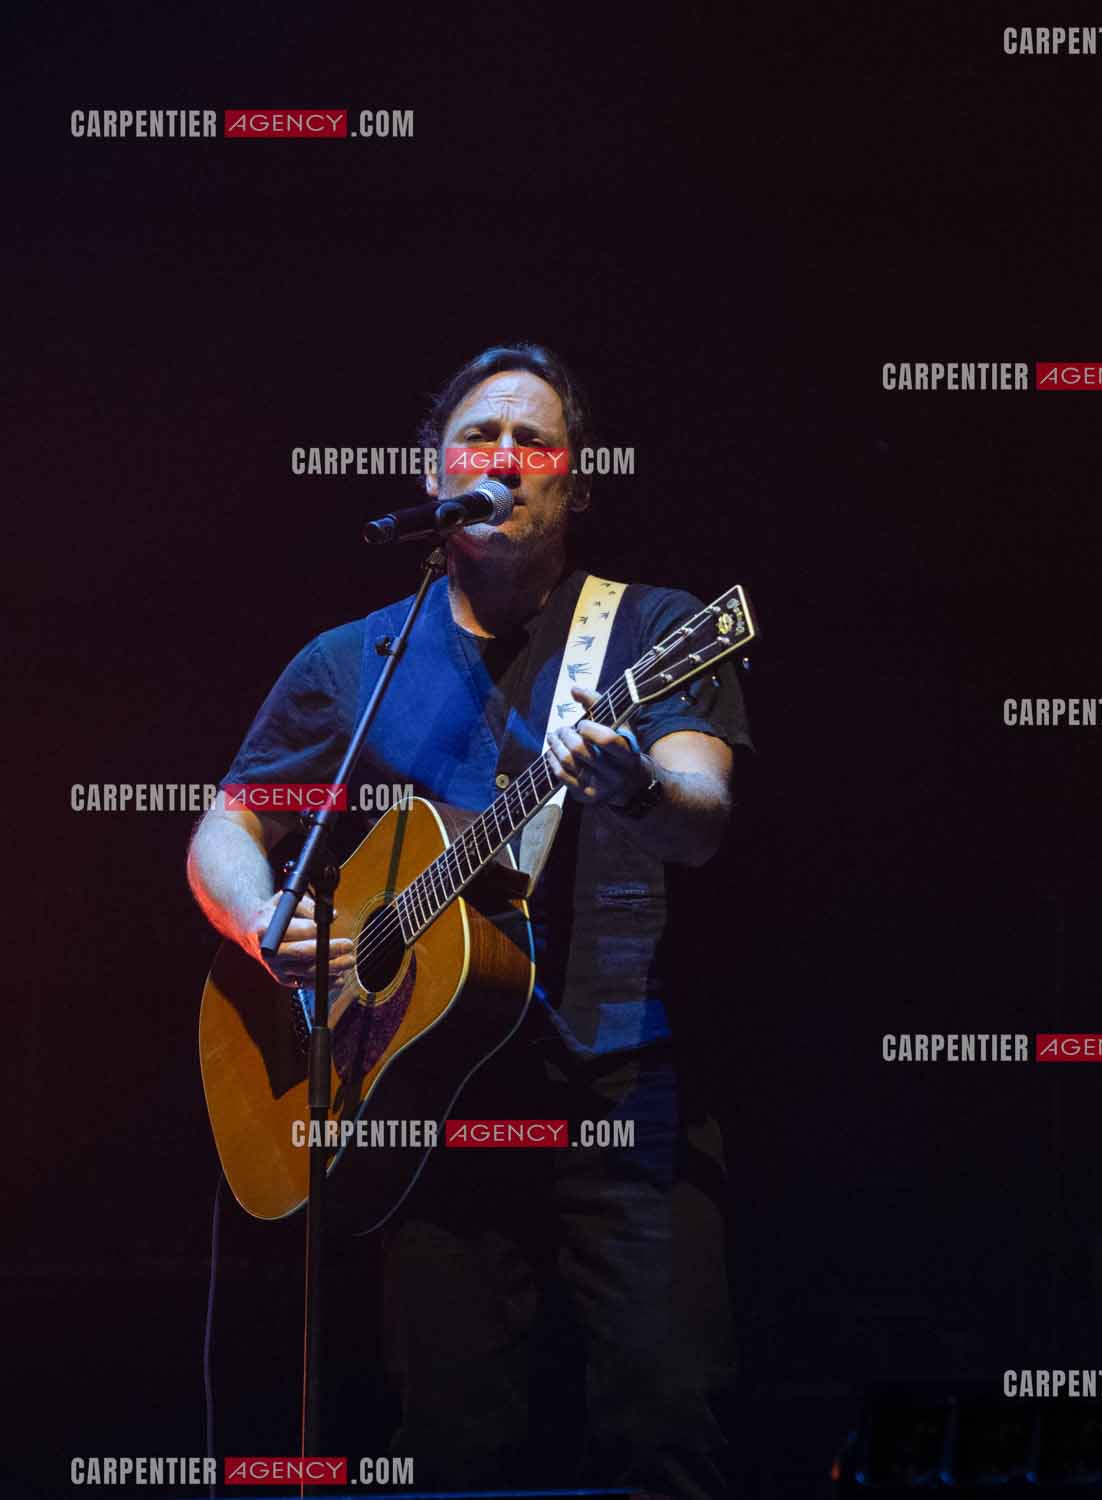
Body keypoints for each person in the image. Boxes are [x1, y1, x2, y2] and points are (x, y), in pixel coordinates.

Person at [187, 344, 751, 1498]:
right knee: (456, 1458)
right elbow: (222, 833)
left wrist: (633, 787)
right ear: (434, 472)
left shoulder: (654, 628)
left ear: (574, 483)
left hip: (618, 1099)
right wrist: (263, 927)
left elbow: (701, 813)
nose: (503, 458)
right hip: (424, 1115)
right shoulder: (357, 662)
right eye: (478, 438)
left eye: (532, 442)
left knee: (667, 1431)